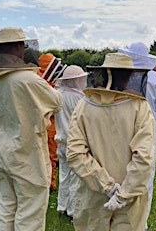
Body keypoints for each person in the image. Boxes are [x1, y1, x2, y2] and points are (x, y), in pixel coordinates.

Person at [0, 27, 62, 230]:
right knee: (30, 213)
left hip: (0, 150)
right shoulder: (28, 80)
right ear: (19, 46)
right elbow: (57, 101)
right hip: (26, 153)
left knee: (7, 210)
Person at [67, 52, 156, 230]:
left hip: (93, 193)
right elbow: (144, 157)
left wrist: (107, 186)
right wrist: (123, 193)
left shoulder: (83, 106)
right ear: (130, 76)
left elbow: (76, 154)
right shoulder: (140, 107)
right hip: (128, 198)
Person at [119, 42, 156, 229]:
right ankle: (141, 221)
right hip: (149, 128)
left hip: (124, 126)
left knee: (124, 167)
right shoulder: (154, 78)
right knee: (146, 171)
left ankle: (123, 210)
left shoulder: (122, 74)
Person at [53, 65, 88, 219]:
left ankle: (62, 206)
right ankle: (72, 211)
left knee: (64, 176)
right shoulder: (80, 99)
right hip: (75, 143)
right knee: (76, 178)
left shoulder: (57, 94)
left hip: (61, 141)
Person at [38, 53, 66, 191]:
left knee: (48, 155)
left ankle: (49, 181)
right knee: (50, 156)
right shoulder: (43, 85)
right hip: (48, 125)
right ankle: (50, 183)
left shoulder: (42, 83)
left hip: (48, 124)